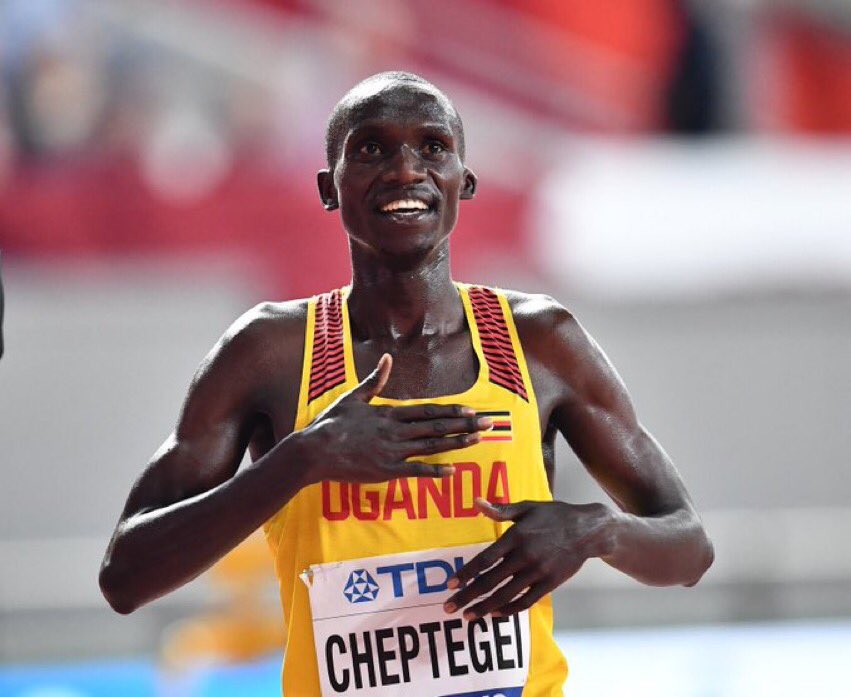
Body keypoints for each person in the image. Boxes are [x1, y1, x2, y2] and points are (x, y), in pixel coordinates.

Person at [100, 72, 713, 695]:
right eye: (371, 149)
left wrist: (594, 532)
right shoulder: (270, 352)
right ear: (327, 188)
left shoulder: (539, 341)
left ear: (463, 181)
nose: (404, 171)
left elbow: (689, 547)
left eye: (432, 148)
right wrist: (300, 460)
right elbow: (125, 576)